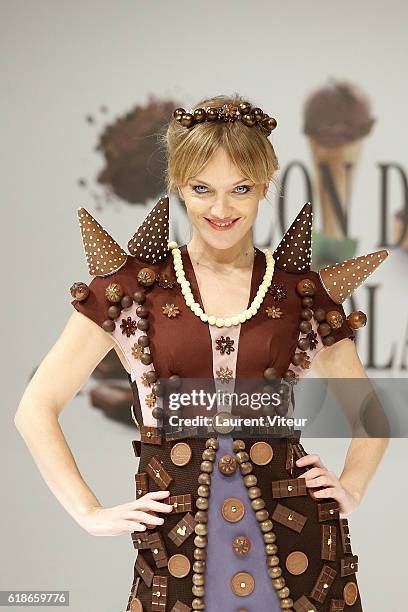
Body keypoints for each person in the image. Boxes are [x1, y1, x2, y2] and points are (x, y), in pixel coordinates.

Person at [14, 95, 390, 612]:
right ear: (178, 187)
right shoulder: (132, 292)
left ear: (265, 187)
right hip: (174, 557)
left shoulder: (297, 293)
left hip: (301, 554)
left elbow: (371, 414)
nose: (221, 210)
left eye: (241, 189)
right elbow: (34, 409)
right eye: (201, 190)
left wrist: (351, 487)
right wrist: (87, 511)